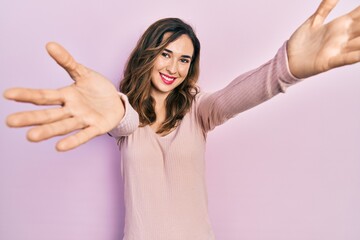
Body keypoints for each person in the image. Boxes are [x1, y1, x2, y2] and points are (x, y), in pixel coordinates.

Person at [4, 0, 359, 239]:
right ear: (149, 54)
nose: (174, 67)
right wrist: (114, 105)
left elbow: (237, 95)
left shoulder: (199, 111)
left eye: (184, 60)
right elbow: (123, 119)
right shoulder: (125, 114)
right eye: (166, 54)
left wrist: (287, 68)